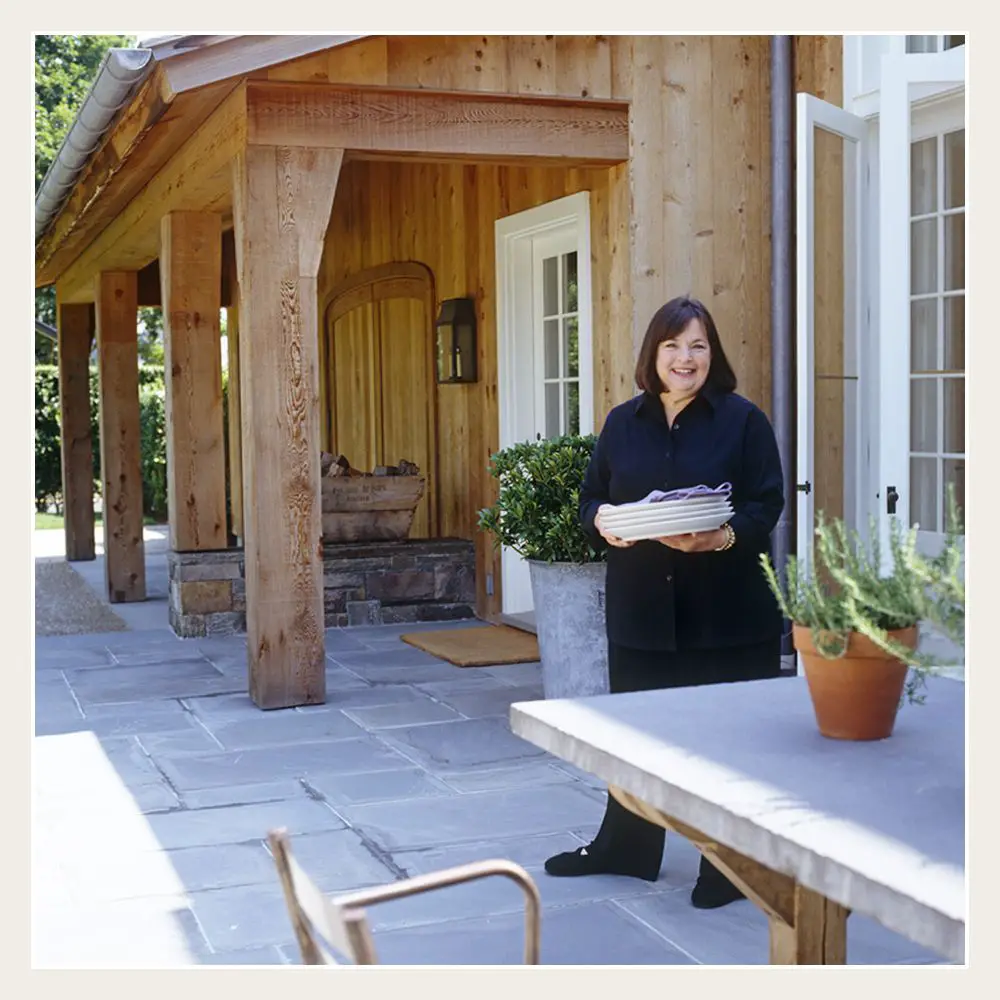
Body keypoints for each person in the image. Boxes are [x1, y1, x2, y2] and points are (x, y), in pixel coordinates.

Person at [543, 295, 785, 909]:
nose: (685, 358)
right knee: (639, 737)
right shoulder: (622, 423)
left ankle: (730, 865)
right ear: (653, 353)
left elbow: (766, 503)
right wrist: (605, 523)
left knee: (730, 744)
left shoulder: (744, 420)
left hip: (728, 614)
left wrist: (721, 536)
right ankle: (626, 846)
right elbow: (593, 497)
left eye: (698, 346)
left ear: (713, 355)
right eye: (673, 345)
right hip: (643, 610)